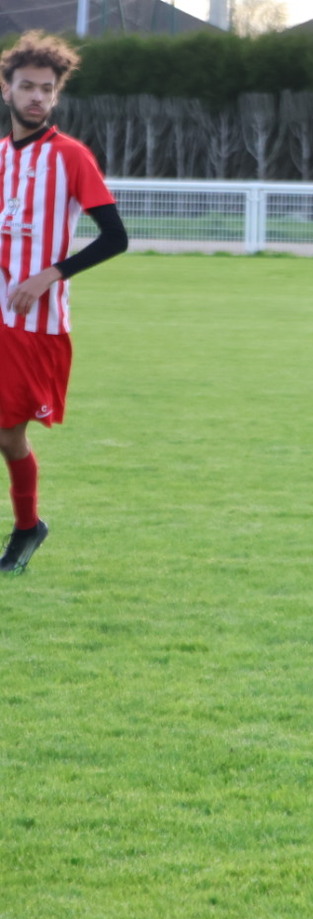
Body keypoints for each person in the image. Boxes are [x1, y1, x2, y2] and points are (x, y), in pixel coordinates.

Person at [0, 32, 128, 575]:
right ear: (6, 89)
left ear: (56, 95)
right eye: (27, 86)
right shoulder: (0, 156)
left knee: (8, 433)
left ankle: (28, 526)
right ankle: (27, 527)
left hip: (35, 322)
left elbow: (115, 237)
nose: (37, 97)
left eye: (46, 89)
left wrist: (49, 275)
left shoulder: (70, 156)